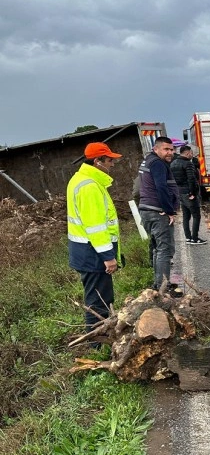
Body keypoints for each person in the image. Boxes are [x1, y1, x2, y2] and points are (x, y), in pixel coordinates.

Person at [67, 142, 123, 336]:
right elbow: (96, 227)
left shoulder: (82, 179)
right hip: (93, 254)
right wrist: (108, 256)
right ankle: (97, 345)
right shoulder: (89, 186)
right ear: (97, 161)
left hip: (87, 252)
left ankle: (101, 339)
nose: (112, 164)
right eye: (109, 160)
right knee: (98, 301)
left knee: (99, 298)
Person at [138, 137, 180, 290]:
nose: (170, 152)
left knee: (157, 248)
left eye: (171, 149)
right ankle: (163, 287)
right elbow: (161, 187)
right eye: (166, 149)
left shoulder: (148, 161)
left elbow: (138, 188)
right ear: (156, 149)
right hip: (157, 212)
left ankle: (158, 285)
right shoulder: (158, 164)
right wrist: (169, 210)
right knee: (165, 249)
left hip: (147, 209)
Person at [171, 145, 206, 244]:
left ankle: (188, 237)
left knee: (186, 216)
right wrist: (193, 193)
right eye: (191, 153)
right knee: (196, 216)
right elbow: (191, 179)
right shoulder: (188, 164)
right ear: (187, 153)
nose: (192, 154)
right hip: (188, 193)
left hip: (180, 192)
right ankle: (195, 238)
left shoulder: (173, 163)